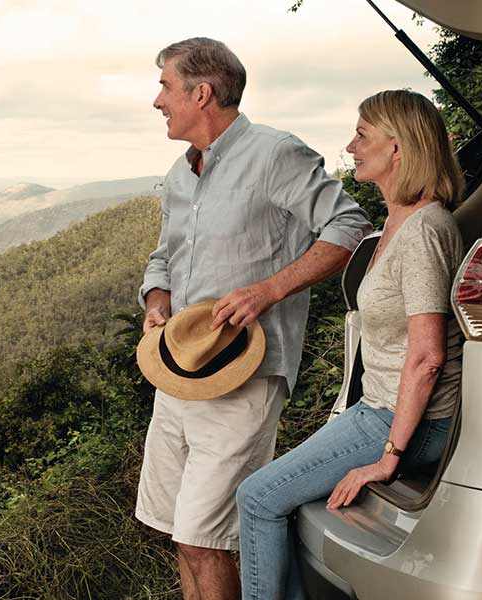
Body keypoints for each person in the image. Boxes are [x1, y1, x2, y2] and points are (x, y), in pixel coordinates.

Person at [136, 37, 372, 600]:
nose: (157, 101)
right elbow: (163, 255)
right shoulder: (180, 172)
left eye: (165, 86)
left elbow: (350, 225)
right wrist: (156, 299)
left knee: (205, 538)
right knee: (179, 533)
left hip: (245, 374)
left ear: (202, 91)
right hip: (178, 371)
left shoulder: (275, 153)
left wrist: (270, 289)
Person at [234, 89, 466, 600]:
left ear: (399, 146)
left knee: (257, 498)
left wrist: (388, 457)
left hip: (403, 421)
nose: (350, 146)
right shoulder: (398, 220)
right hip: (377, 408)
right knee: (277, 499)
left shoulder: (425, 229)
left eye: (362, 135)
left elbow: (428, 358)